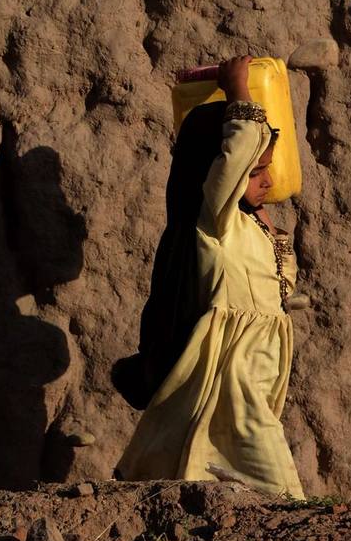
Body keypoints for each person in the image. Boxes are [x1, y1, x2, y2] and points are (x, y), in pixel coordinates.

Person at [113, 55, 305, 497]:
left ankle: (153, 483)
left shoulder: (251, 226)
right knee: (257, 437)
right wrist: (239, 91)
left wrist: (271, 229)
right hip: (234, 361)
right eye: (255, 172)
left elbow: (279, 289)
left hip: (253, 359)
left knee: (198, 431)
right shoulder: (213, 220)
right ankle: (290, 507)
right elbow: (236, 152)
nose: (266, 179)